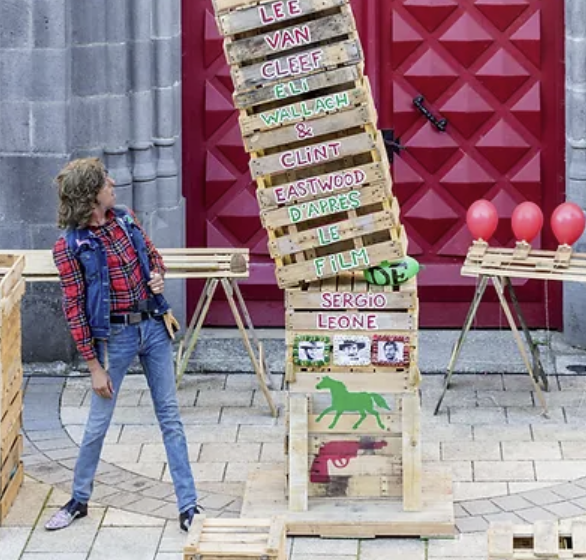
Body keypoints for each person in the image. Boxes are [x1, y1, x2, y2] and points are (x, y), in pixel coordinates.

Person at [46, 158, 199, 532]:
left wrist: (157, 276)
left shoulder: (125, 218)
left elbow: (154, 256)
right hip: (116, 338)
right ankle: (79, 499)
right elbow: (75, 311)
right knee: (98, 424)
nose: (113, 183)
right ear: (90, 195)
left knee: (170, 419)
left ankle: (189, 507)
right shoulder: (70, 246)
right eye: (104, 181)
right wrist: (94, 367)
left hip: (154, 327)